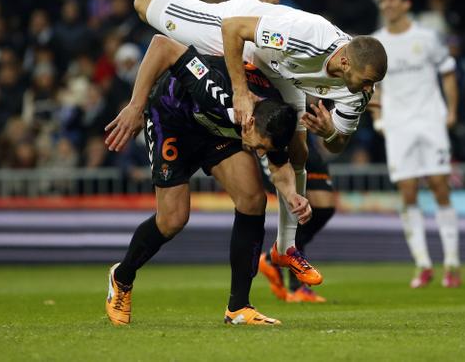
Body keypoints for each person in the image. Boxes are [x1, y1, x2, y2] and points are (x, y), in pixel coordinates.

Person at [132, 0, 387, 285]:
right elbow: (235, 31)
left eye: (370, 85)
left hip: (279, 68)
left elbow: (339, 144)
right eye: (364, 82)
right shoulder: (308, 35)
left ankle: (287, 249)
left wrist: (328, 132)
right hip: (241, 30)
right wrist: (241, 93)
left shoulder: (356, 86)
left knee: (299, 149)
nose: (367, 91)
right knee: (145, 3)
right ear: (344, 64)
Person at [103, 34, 311, 326]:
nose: (260, 152)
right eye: (259, 144)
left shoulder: (273, 116)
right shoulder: (216, 90)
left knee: (253, 200)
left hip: (215, 131)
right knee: (173, 219)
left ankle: (239, 308)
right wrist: (136, 105)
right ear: (249, 121)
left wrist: (292, 196)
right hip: (172, 119)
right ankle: (121, 278)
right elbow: (162, 45)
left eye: (263, 148)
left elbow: (279, 164)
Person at [244, 0, 337, 303]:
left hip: (299, 122)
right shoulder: (243, 35)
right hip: (269, 127)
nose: (264, 0)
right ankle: (294, 279)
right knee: (294, 197)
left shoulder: (291, 27)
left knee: (324, 204)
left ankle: (276, 257)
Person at [372, 0, 461, 288]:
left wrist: (451, 112)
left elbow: (448, 71)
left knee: (439, 186)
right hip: (397, 125)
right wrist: (378, 118)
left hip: (429, 120)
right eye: (382, 1)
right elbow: (372, 86)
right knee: (408, 191)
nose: (386, 4)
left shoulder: (426, 38)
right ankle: (423, 264)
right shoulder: (377, 43)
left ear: (406, 3)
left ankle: (451, 262)